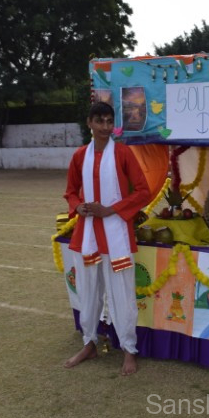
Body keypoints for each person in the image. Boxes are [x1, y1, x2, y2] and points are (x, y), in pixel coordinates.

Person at [62, 101, 151, 376]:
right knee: (88, 290)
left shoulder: (123, 153)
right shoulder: (80, 155)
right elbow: (70, 191)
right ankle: (89, 343)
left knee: (122, 293)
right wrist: (78, 206)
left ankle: (129, 349)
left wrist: (111, 209)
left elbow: (143, 191)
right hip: (87, 235)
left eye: (109, 121)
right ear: (89, 122)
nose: (105, 126)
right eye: (99, 121)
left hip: (116, 235)